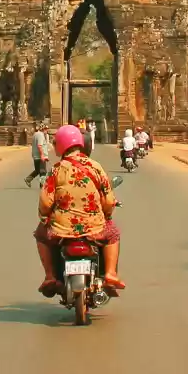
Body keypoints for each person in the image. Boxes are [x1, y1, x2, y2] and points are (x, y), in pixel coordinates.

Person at [35, 124, 124, 296]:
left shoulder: (56, 170)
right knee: (113, 234)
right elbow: (108, 200)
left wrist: (44, 217)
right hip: (94, 228)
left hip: (61, 230)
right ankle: (111, 273)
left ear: (60, 145)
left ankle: (49, 276)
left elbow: (46, 203)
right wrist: (106, 214)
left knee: (40, 235)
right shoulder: (95, 167)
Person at [24, 122, 49, 187]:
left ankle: (28, 179)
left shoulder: (35, 134)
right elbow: (39, 146)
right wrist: (42, 155)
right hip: (40, 156)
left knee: (38, 170)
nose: (47, 131)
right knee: (43, 171)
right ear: (43, 129)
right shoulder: (40, 135)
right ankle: (43, 185)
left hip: (35, 156)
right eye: (46, 129)